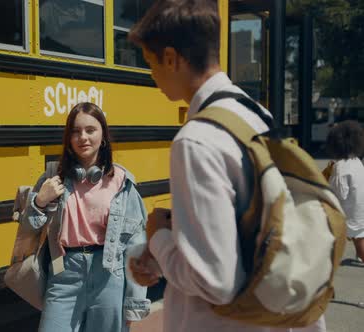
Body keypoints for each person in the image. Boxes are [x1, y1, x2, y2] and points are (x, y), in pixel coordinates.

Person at [127, 1, 325, 331]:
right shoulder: (256, 115)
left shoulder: (195, 140)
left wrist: (159, 238)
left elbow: (216, 282)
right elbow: (243, 237)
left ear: (173, 59)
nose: (153, 76)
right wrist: (168, 253)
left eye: (151, 63)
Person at [23, 102, 150, 332]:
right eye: (76, 131)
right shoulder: (53, 177)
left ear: (103, 136)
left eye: (90, 130)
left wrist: (133, 302)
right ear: (69, 139)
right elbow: (28, 229)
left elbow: (136, 246)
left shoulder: (121, 182)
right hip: (64, 272)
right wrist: (39, 201)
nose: (83, 137)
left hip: (109, 274)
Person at [326, 120, 364, 263]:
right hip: (360, 208)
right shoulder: (357, 161)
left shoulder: (340, 166)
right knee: (359, 238)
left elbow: (340, 194)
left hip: (348, 212)